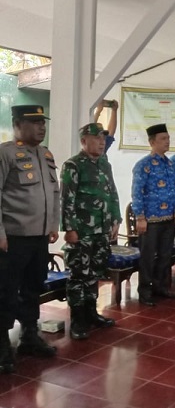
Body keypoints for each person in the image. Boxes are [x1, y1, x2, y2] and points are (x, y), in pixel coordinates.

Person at [0, 105, 59, 374]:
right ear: (17, 124)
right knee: (6, 291)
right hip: (13, 238)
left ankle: (29, 335)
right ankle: (2, 343)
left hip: (39, 237)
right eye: (34, 122)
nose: (41, 127)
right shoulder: (5, 154)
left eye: (42, 122)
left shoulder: (46, 154)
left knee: (33, 288)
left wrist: (53, 224)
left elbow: (54, 193)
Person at [60, 123, 121, 340]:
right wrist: (69, 229)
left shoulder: (104, 164)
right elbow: (66, 200)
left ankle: (91, 313)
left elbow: (112, 193)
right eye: (97, 138)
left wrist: (116, 219)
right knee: (78, 275)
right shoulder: (73, 165)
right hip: (82, 231)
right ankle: (78, 319)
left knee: (94, 273)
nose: (102, 142)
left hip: (102, 229)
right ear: (84, 141)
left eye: (103, 138)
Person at [131, 123, 175, 306]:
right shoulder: (143, 165)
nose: (167, 142)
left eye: (168, 138)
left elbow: (173, 190)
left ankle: (160, 287)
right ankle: (145, 291)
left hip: (167, 218)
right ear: (152, 142)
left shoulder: (170, 164)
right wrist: (140, 217)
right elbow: (137, 193)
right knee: (148, 257)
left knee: (165, 255)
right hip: (150, 220)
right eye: (163, 139)